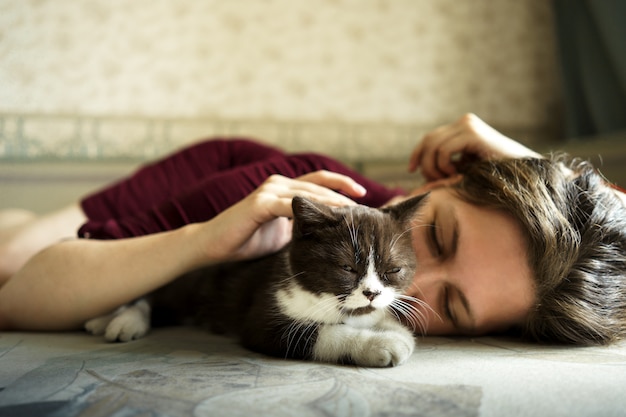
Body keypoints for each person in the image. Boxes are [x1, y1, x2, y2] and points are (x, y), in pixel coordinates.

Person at [0, 113, 625, 346]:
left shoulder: (535, 291)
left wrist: (517, 153)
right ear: (444, 183)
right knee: (11, 254)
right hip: (215, 176)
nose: (410, 284)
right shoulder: (285, 194)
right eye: (437, 237)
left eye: (454, 306)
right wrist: (199, 241)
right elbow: (21, 298)